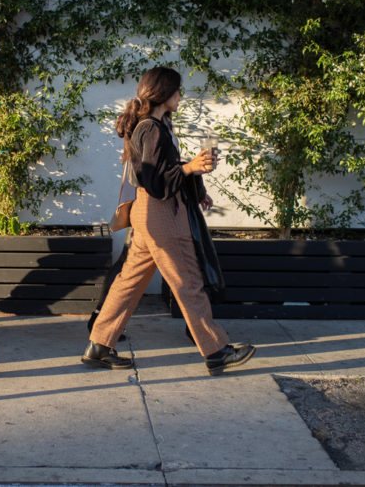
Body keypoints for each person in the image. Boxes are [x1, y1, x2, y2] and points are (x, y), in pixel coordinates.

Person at [81, 66, 255, 376]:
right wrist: (190, 169)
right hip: (162, 216)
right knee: (188, 281)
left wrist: (195, 186)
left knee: (129, 282)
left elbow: (165, 172)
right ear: (163, 93)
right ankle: (216, 351)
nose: (180, 96)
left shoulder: (159, 125)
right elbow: (155, 182)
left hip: (152, 215)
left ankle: (99, 345)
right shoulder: (152, 128)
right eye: (177, 91)